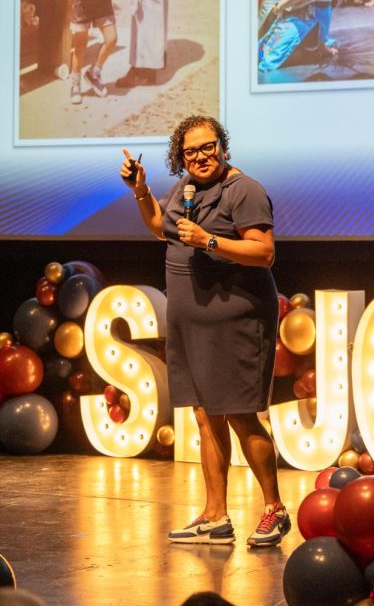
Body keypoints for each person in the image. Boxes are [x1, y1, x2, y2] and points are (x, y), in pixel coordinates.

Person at [120, 115, 289, 548]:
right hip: (191, 317)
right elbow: (161, 226)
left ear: (223, 146)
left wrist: (208, 242)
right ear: (181, 158)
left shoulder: (243, 190)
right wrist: (141, 191)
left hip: (236, 318)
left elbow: (264, 252)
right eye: (191, 151)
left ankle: (275, 509)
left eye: (208, 146)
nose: (201, 156)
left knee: (239, 412)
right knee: (204, 414)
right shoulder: (186, 190)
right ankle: (215, 516)